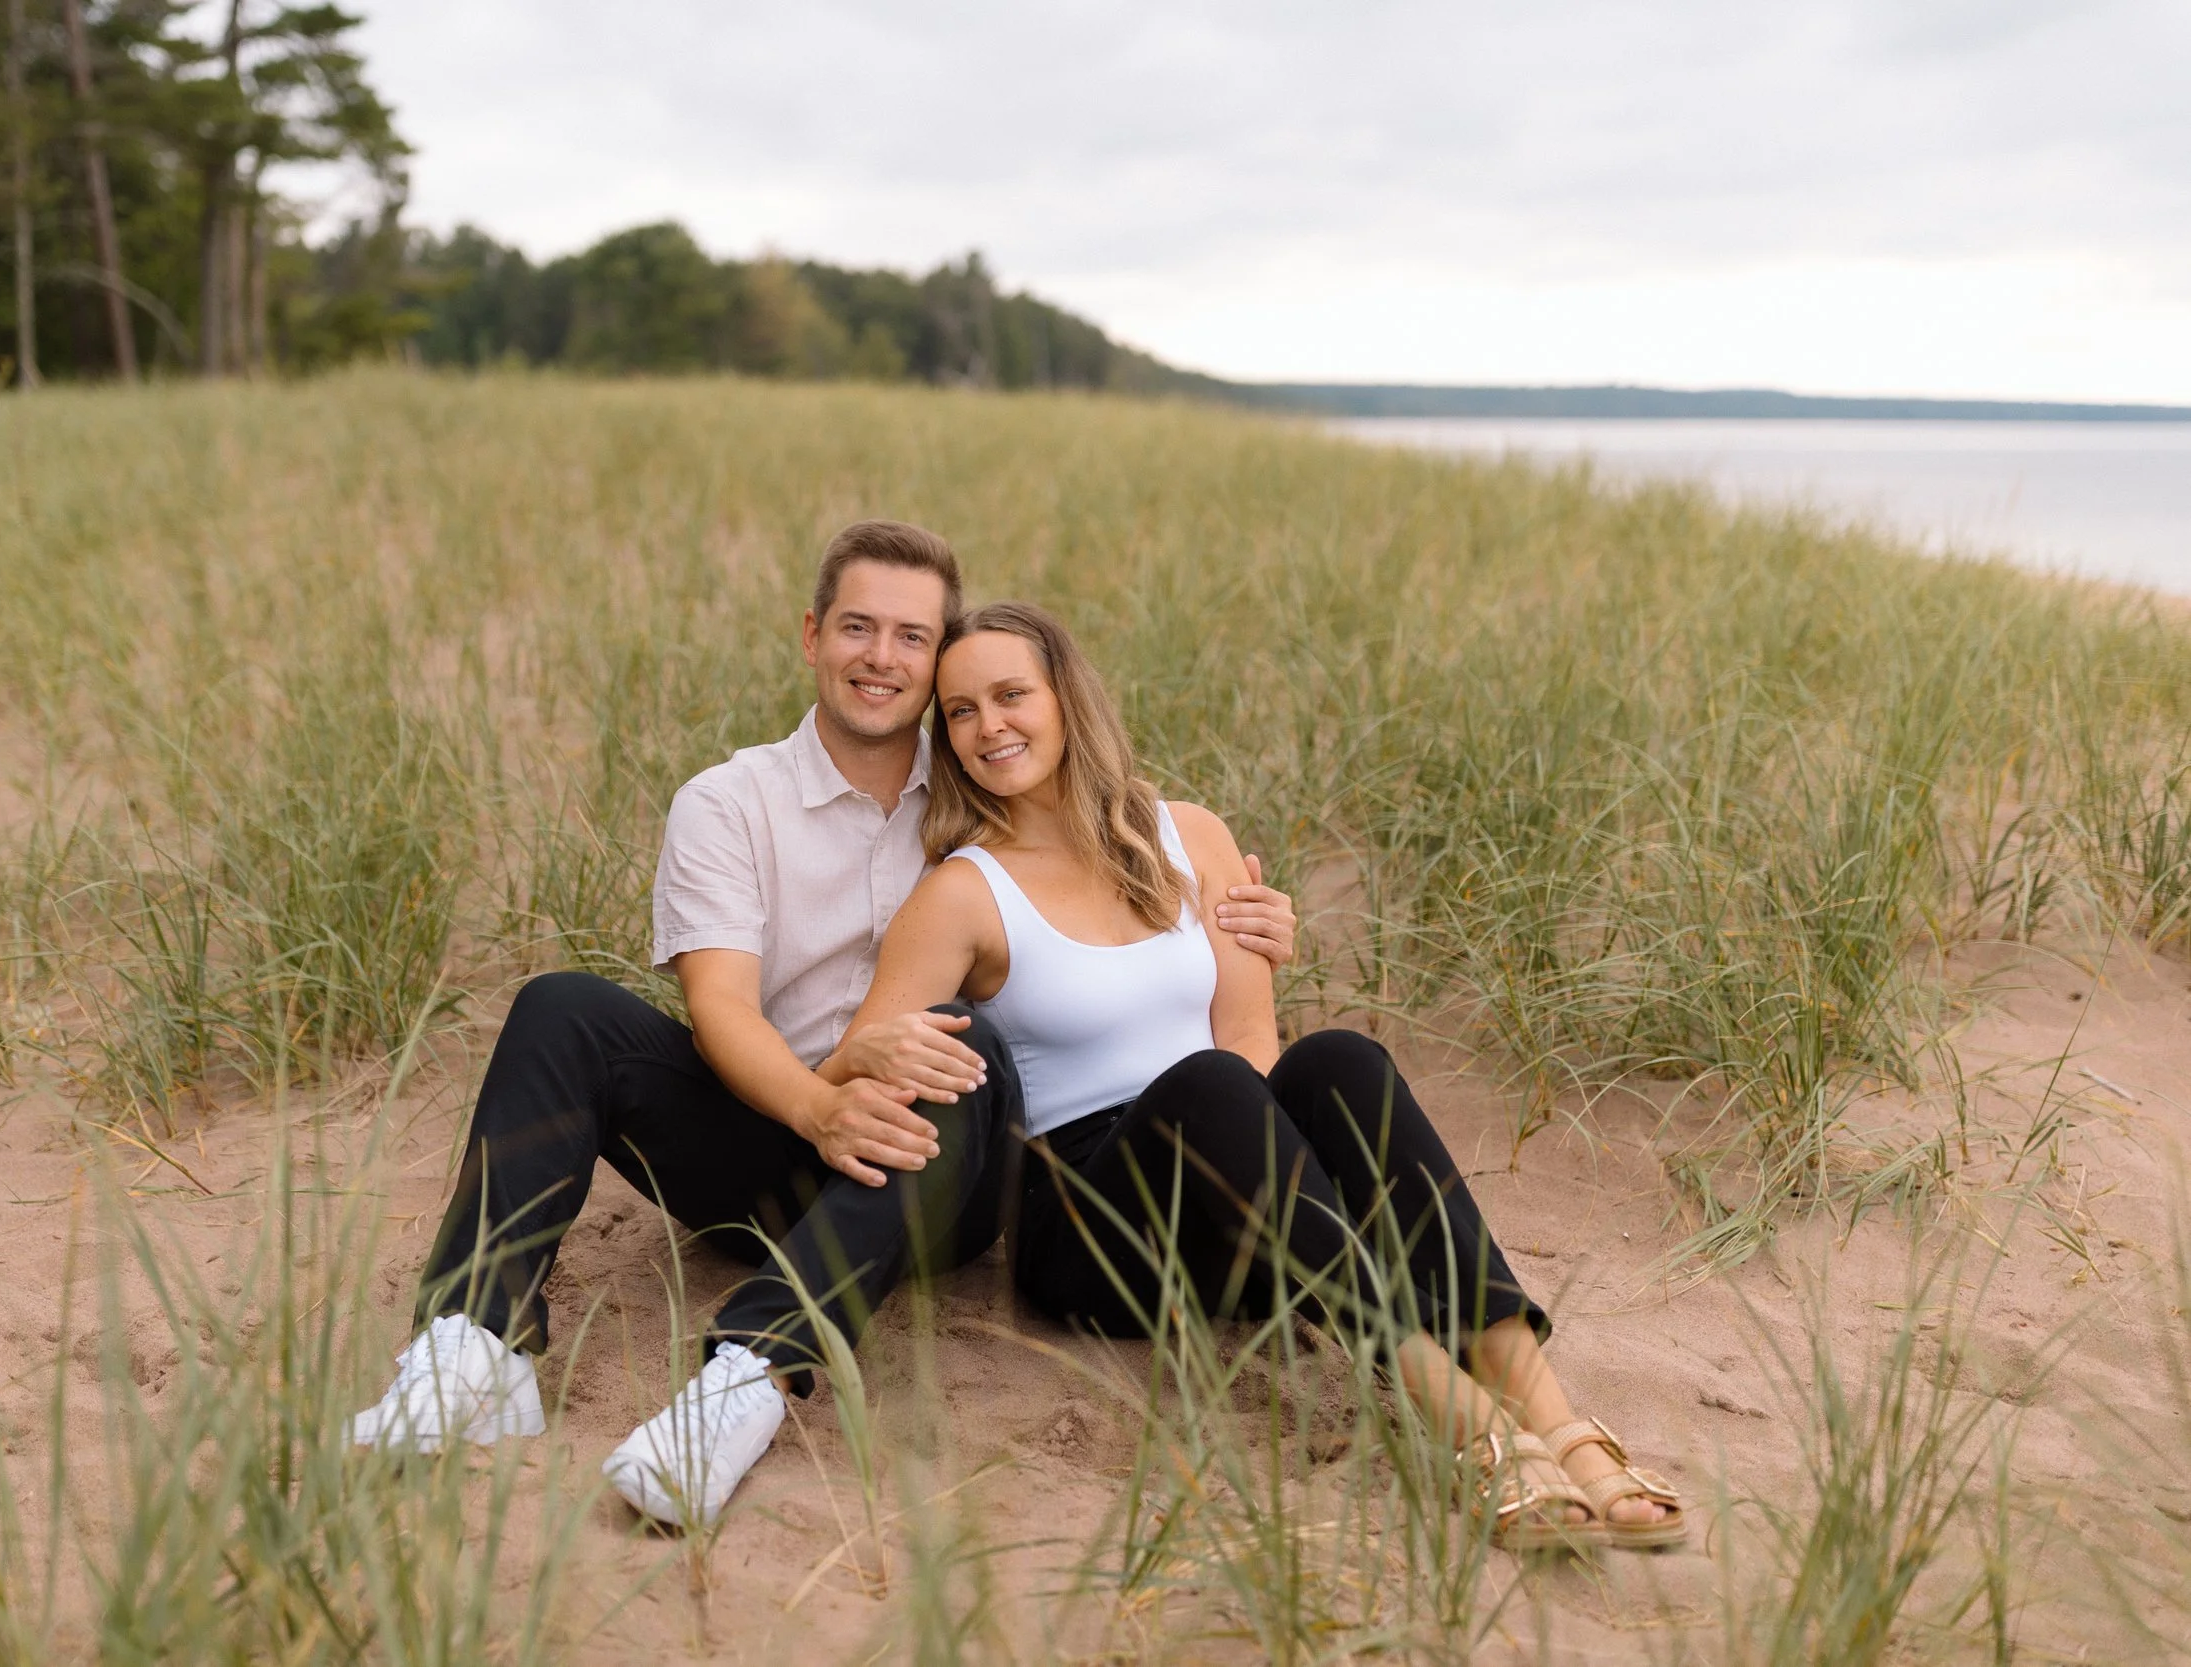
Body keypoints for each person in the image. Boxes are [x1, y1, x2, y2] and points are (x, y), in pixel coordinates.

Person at [345, 521, 1302, 1532]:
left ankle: (748, 1377)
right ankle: (475, 1341)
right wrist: (820, 1104)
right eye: (856, 627)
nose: (880, 657)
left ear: (938, 661)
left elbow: (1120, 894)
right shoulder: (729, 801)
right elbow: (718, 1012)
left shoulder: (993, 788)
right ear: (811, 635)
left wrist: (1248, 917)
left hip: (942, 1163)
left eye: (910, 637)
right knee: (562, 1007)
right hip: (771, 1134)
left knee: (950, 1040)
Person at [830, 600, 1686, 1550]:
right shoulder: (964, 888)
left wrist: (1299, 1185)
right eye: (958, 711)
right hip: (1090, 1232)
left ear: (1066, 699)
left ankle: (1548, 1409)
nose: (989, 726)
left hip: (1230, 1195)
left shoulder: (1187, 835)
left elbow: (1250, 1038)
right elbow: (859, 1063)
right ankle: (1462, 1419)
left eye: (1011, 695)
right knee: (1208, 1085)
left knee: (1339, 1058)